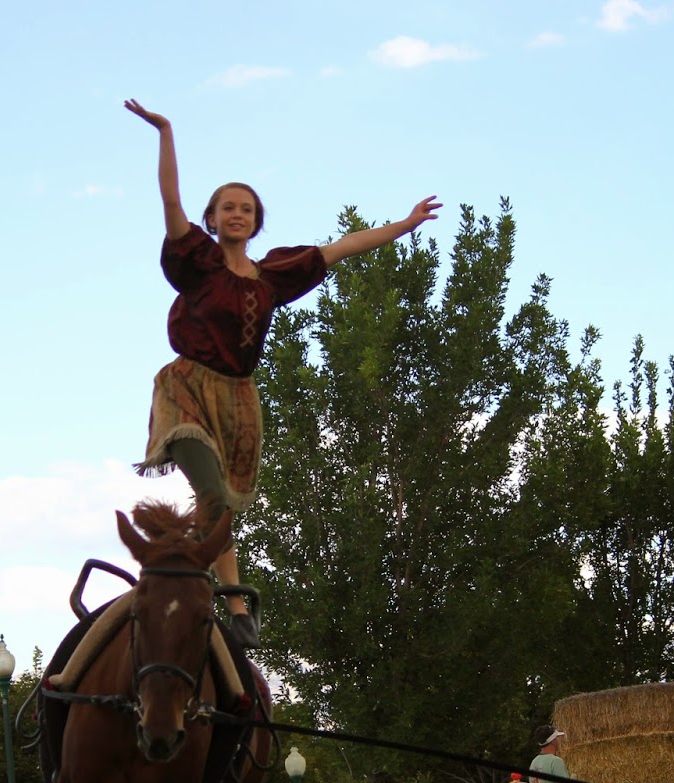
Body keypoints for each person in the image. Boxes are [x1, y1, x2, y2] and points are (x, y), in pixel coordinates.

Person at [125, 98, 440, 648]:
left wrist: (406, 224)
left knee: (218, 501)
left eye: (246, 208)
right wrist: (166, 132)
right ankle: (237, 600)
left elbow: (343, 248)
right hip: (189, 387)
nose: (237, 214)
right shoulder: (197, 261)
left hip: (239, 398)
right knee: (209, 486)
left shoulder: (273, 275)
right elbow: (171, 200)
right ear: (213, 219)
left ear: (256, 221)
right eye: (227, 207)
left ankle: (197, 576)